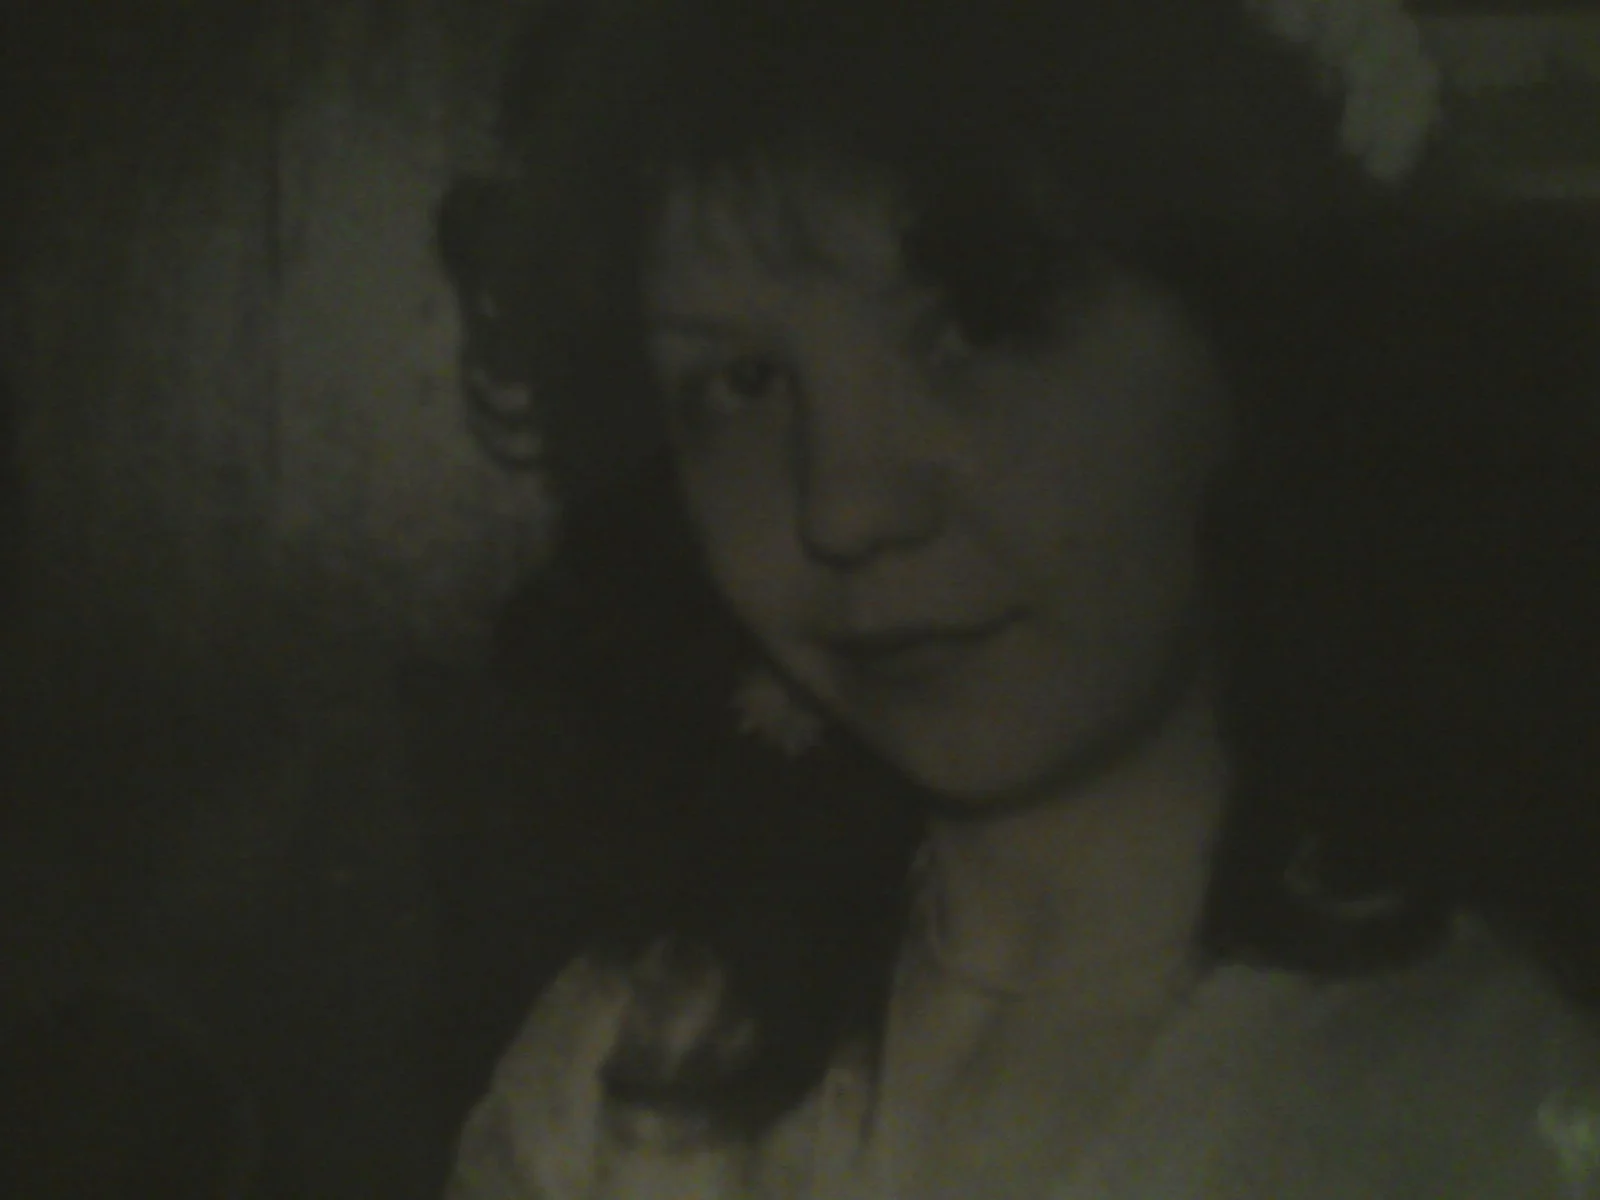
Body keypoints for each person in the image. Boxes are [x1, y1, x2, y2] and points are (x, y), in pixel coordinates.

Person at [433, 0, 1600, 1194]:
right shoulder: (621, 1071)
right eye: (739, 381)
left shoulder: (1503, 1103)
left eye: (978, 324)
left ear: (1253, 340)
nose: (844, 506)